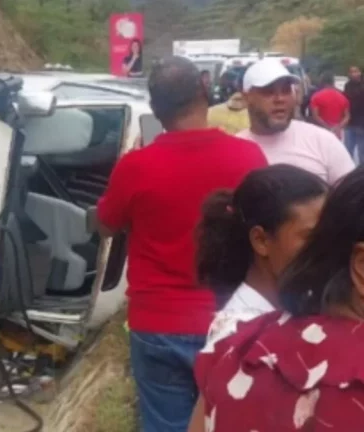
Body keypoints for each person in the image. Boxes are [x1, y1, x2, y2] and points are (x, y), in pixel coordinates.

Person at [93, 56, 268, 432]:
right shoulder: (249, 157)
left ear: (155, 109)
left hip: (157, 324)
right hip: (232, 319)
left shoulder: (135, 167)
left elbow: (107, 226)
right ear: (205, 90)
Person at [194, 165, 364, 431]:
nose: (326, 251)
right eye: (313, 238)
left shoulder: (242, 341)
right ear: (261, 241)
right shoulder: (235, 337)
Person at [237, 58, 354, 184]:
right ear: (246, 98)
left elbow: (353, 196)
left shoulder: (323, 141)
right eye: (268, 92)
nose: (280, 99)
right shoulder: (234, 151)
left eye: (286, 91)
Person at [309, 72, 350, 140]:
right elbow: (347, 116)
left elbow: (315, 116)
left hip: (321, 132)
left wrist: (327, 127)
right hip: (337, 133)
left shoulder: (316, 97)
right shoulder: (342, 97)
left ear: (322, 82)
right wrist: (338, 127)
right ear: (333, 82)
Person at [344, 65, 364, 160]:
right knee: (347, 151)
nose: (354, 74)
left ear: (360, 72)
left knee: (362, 152)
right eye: (351, 72)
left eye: (356, 71)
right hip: (350, 122)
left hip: (361, 124)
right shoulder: (347, 85)